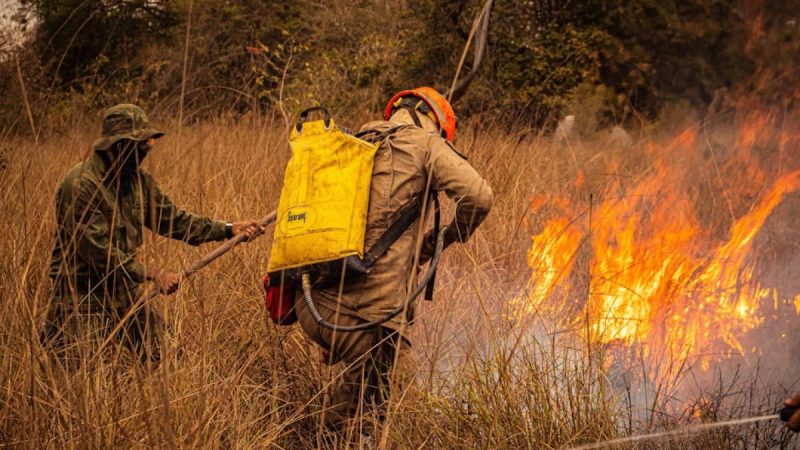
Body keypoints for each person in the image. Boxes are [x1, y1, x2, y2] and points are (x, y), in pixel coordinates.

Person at [294, 87, 493, 428]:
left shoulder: (355, 140)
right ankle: (314, 437)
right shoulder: (427, 144)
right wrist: (447, 237)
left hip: (312, 305)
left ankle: (323, 435)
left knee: (364, 397)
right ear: (438, 124)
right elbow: (479, 197)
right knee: (406, 415)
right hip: (373, 319)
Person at [43, 103, 263, 367]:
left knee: (167, 354)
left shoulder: (138, 181)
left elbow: (174, 220)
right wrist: (153, 274)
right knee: (80, 373)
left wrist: (228, 229)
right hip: (79, 294)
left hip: (121, 289)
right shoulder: (79, 185)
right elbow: (99, 253)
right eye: (140, 144)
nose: (147, 149)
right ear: (118, 146)